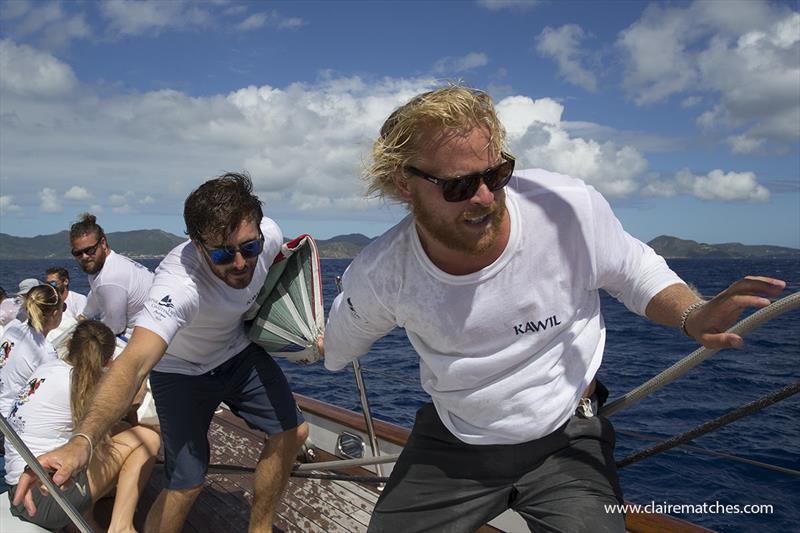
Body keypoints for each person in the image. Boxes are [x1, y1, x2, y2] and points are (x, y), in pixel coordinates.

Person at [319, 85, 786, 533]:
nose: (484, 197)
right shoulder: (384, 272)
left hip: (569, 434)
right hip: (456, 440)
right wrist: (323, 348)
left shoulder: (566, 210)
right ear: (405, 184)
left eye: (495, 175)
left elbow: (634, 270)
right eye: (459, 186)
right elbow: (343, 340)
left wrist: (691, 314)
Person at [16, 173, 309, 533]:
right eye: (221, 253)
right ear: (197, 245)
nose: (239, 263)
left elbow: (282, 274)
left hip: (237, 353)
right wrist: (83, 441)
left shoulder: (268, 236)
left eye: (249, 248)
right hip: (180, 372)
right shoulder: (179, 285)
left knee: (293, 431)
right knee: (187, 481)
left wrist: (306, 332)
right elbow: (135, 361)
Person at [4, 320, 160, 533]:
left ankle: (84, 521)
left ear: (69, 345)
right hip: (45, 500)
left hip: (21, 490)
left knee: (111, 434)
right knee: (147, 438)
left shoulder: (48, 368)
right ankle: (121, 527)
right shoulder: (89, 385)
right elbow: (132, 407)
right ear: (107, 361)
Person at [70, 214, 154, 336]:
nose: (84, 257)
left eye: (90, 250)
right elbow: (96, 294)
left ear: (103, 243)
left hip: (147, 332)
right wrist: (84, 316)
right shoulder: (107, 264)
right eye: (78, 253)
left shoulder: (110, 278)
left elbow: (113, 329)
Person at [0, 284, 64, 417]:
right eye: (63, 307)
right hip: (10, 420)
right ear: (55, 314)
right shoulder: (47, 352)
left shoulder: (12, 328)